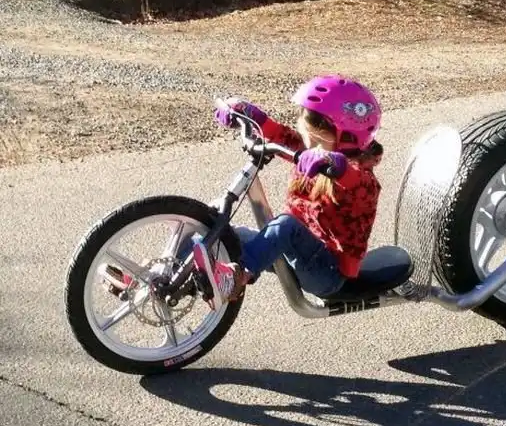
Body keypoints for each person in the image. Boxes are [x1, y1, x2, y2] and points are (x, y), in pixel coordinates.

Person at [99, 75, 384, 304]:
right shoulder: (310, 149)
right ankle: (150, 282)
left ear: (343, 134)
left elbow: (355, 182)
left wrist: (335, 164)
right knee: (219, 234)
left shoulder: (361, 179)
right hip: (290, 251)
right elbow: (281, 135)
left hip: (327, 273)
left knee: (285, 226)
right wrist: (249, 115)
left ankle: (237, 278)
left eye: (310, 127)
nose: (302, 132)